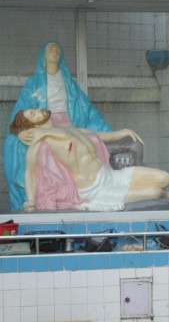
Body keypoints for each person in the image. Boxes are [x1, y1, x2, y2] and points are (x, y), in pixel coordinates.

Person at [3, 41, 113, 210]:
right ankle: (56, 194)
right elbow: (20, 113)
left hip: (68, 123)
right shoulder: (33, 84)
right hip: (45, 124)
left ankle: (99, 186)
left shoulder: (69, 84)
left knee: (93, 139)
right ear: (43, 56)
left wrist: (110, 132)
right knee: (45, 148)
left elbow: (88, 109)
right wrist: (20, 132)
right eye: (50, 49)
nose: (54, 52)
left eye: (57, 50)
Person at [10, 109, 169, 212]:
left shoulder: (66, 128)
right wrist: (31, 200)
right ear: (34, 126)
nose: (39, 111)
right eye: (33, 115)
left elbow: (95, 136)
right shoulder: (41, 143)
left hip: (109, 175)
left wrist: (122, 132)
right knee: (156, 192)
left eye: (34, 110)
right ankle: (166, 194)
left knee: (166, 178)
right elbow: (30, 172)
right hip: (95, 189)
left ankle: (166, 193)